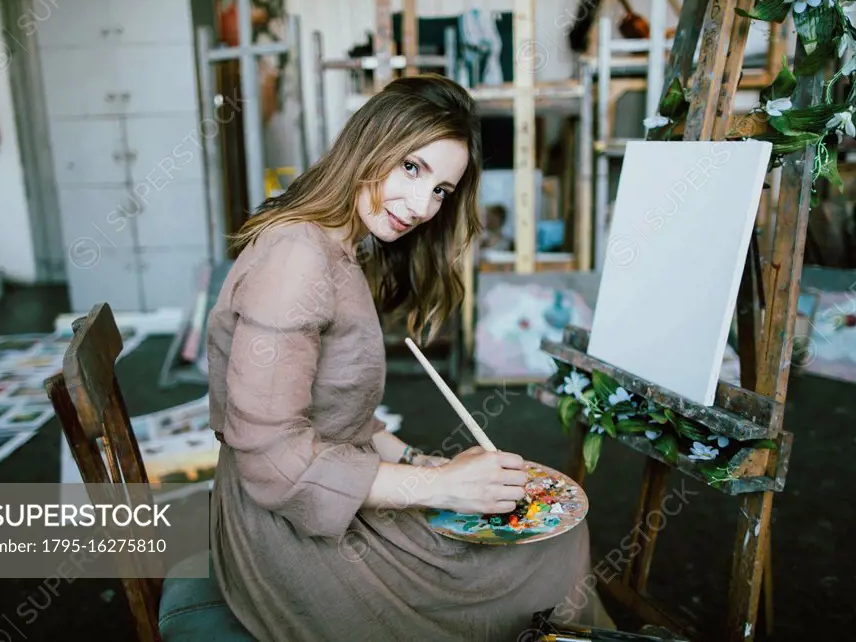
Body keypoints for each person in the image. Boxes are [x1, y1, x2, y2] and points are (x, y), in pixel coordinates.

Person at [206, 73, 614, 641]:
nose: (423, 206)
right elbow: (273, 461)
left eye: (442, 190)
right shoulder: (297, 258)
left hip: (321, 493)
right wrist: (438, 489)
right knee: (547, 549)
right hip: (283, 533)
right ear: (369, 144)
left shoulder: (340, 243)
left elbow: (344, 420)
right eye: (412, 168)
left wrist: (431, 468)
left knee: (546, 532)